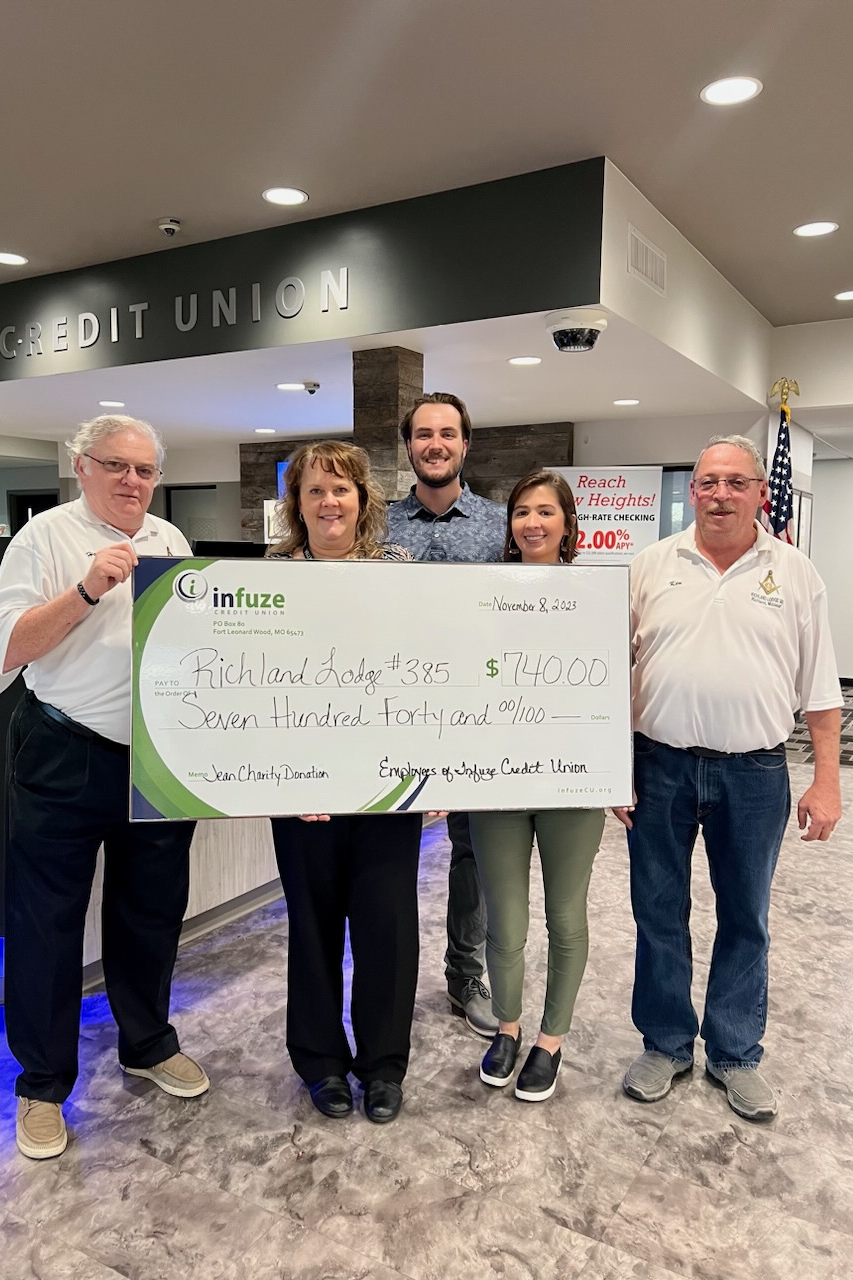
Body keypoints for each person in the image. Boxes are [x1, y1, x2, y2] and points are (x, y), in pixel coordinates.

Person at [0, 414, 208, 1161]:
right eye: (116, 466)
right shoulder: (43, 538)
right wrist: (85, 591)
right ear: (81, 467)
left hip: (156, 756)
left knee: (151, 911)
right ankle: (42, 1086)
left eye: (145, 471)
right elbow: (5, 651)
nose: (132, 482)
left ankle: (147, 1042)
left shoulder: (171, 543)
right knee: (46, 920)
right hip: (64, 750)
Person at [614, 434, 842, 1122]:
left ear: (760, 493)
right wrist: (611, 765)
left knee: (746, 916)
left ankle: (736, 1051)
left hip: (755, 773)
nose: (720, 494)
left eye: (736, 483)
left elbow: (822, 688)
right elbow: (606, 672)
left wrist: (827, 780)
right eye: (709, 482)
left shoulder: (796, 573)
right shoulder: (651, 565)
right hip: (659, 767)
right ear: (692, 491)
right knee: (659, 912)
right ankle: (665, 1042)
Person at [268, 439, 423, 1125]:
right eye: (314, 491)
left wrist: (430, 770)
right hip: (303, 793)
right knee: (312, 927)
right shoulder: (271, 575)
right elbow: (256, 692)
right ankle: (321, 1063)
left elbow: (425, 670)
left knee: (389, 928)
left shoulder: (400, 568)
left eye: (341, 489)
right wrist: (289, 779)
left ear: (363, 499)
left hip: (386, 787)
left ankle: (384, 1067)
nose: (329, 502)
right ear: (295, 505)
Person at [469, 471, 606, 1101]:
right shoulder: (481, 596)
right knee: (505, 919)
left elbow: (613, 690)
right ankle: (507, 1028)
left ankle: (550, 1042)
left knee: (566, 916)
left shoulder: (596, 595)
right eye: (521, 512)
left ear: (567, 523)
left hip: (572, 782)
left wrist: (616, 772)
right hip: (497, 780)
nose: (531, 523)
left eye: (545, 511)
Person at [386, 391, 505, 1038]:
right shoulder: (377, 526)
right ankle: (389, 981)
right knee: (389, 857)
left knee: (473, 853)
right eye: (423, 434)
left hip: (473, 716)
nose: (435, 444)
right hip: (392, 715)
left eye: (447, 434)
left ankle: (466, 976)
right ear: (409, 446)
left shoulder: (498, 524)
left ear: (465, 445)